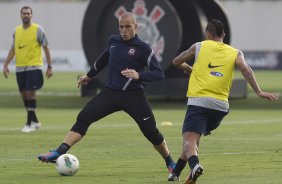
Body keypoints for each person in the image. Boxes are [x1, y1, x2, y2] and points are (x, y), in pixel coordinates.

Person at [38, 12, 175, 174]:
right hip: (111, 93)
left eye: (128, 27)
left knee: (151, 132)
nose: (124, 31)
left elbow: (159, 73)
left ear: (136, 27)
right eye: (121, 27)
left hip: (134, 96)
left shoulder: (143, 49)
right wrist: (88, 76)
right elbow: (102, 60)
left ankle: (169, 161)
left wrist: (140, 75)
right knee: (83, 118)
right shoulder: (113, 41)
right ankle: (59, 152)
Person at [167, 19, 279, 184]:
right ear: (223, 35)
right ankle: (175, 174)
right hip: (220, 106)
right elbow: (245, 69)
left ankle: (195, 166)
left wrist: (190, 69)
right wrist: (258, 91)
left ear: (208, 35)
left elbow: (176, 61)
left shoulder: (199, 46)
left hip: (199, 101)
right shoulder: (235, 52)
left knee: (188, 140)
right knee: (193, 141)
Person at [3, 6, 53, 133]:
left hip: (34, 66)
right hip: (20, 68)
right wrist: (5, 65)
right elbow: (13, 49)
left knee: (31, 93)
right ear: (20, 15)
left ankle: (29, 123)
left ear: (31, 15)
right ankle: (35, 121)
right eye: (24, 13)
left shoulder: (38, 29)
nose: (26, 15)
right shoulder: (16, 31)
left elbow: (46, 47)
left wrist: (49, 66)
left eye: (28, 13)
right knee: (24, 95)